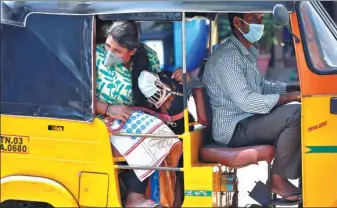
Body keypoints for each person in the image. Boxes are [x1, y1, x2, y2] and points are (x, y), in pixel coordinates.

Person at [202, 13, 302, 202]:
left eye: (261, 18)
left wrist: (295, 88)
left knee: (303, 112)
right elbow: (247, 101)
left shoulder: (245, 53)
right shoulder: (228, 58)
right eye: (254, 19)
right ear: (237, 22)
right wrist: (291, 97)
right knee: (296, 113)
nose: (260, 24)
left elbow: (262, 87)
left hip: (248, 119)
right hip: (234, 128)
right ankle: (278, 179)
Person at [95, 20, 182, 207]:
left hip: (139, 115)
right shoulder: (94, 56)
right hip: (100, 119)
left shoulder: (148, 56)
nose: (109, 53)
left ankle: (174, 196)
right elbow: (78, 99)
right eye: (108, 46)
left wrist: (176, 80)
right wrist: (109, 109)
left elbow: (157, 89)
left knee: (179, 130)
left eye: (117, 51)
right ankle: (135, 197)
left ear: (132, 51)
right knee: (153, 134)